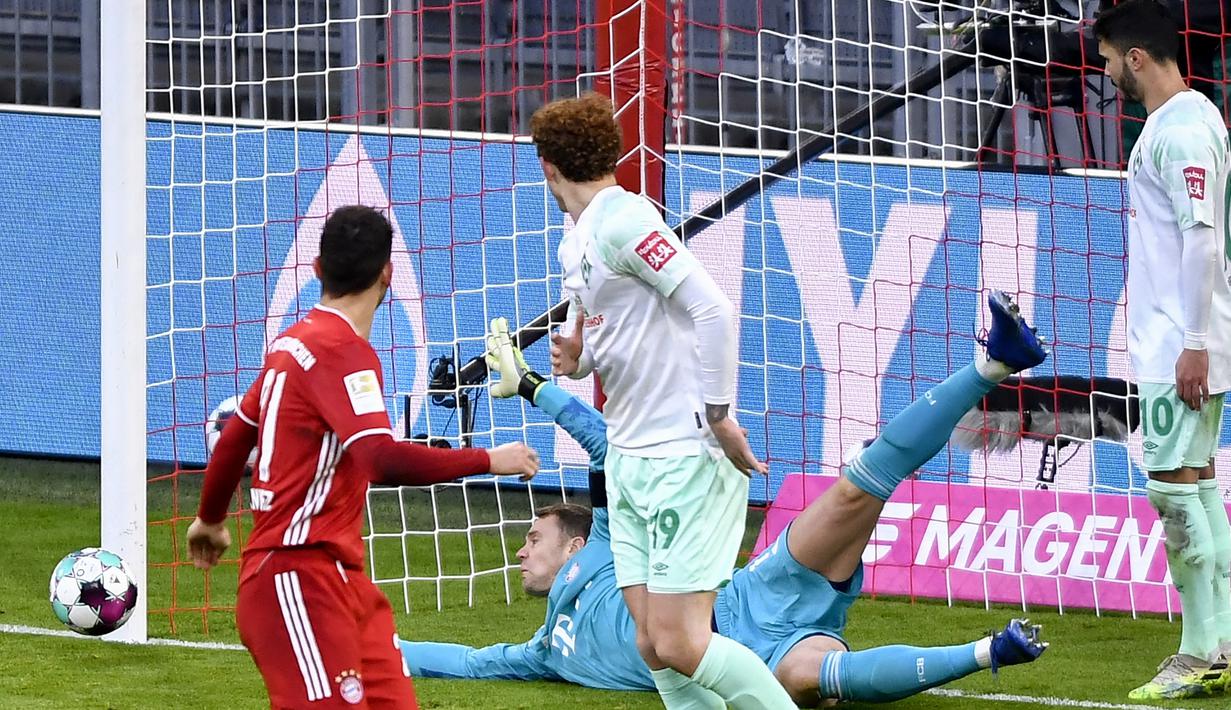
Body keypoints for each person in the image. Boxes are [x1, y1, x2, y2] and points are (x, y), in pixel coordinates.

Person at [401, 299, 1049, 707]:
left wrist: (532, 385)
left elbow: (604, 446)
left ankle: (994, 364)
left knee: (858, 484)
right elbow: (457, 660)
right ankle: (988, 653)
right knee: (819, 677)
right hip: (750, 659)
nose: (520, 550)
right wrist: (373, 646)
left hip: (748, 597)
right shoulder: (541, 650)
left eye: (534, 537)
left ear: (574, 543)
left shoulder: (604, 548)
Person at [186, 206, 541, 710]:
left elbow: (236, 435)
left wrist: (210, 518)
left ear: (316, 269)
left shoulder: (291, 343)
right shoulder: (341, 351)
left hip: (341, 581)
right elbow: (379, 458)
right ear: (387, 274)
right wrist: (487, 459)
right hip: (296, 575)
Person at [533, 92, 795, 709]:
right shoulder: (578, 242)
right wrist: (578, 356)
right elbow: (598, 331)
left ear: (548, 166)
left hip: (682, 453)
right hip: (628, 460)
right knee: (651, 644)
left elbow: (713, 309)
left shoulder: (627, 221)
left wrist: (718, 415)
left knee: (680, 642)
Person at [1095, 0, 1231, 699]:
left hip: (1179, 341)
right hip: (1185, 336)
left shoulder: (1179, 132)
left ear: (1136, 58)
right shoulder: (1193, 116)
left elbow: (1201, 237)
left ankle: (1196, 653)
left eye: (1108, 61)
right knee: (1198, 485)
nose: (1105, 74)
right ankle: (1222, 644)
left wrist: (1193, 343)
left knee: (1172, 493)